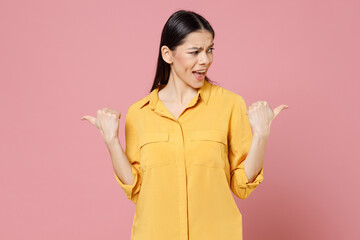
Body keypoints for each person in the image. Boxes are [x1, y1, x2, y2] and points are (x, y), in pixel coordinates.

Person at [81, 9, 289, 240]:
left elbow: (241, 185)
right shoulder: (140, 113)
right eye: (195, 52)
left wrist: (261, 135)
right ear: (168, 54)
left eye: (209, 50)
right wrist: (111, 141)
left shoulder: (229, 105)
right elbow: (137, 189)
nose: (205, 60)